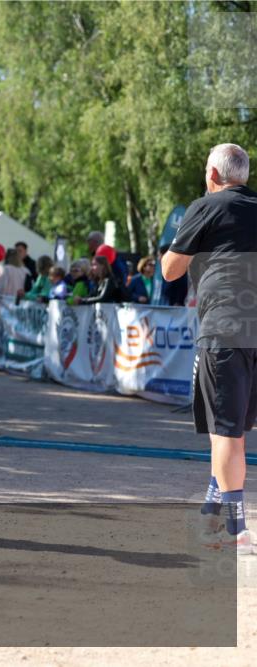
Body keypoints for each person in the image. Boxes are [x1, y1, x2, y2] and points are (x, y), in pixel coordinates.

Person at [162, 143, 256, 554]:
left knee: (224, 434)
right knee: (235, 432)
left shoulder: (205, 206)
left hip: (223, 329)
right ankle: (210, 513)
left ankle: (236, 528)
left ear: (213, 175)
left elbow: (169, 270)